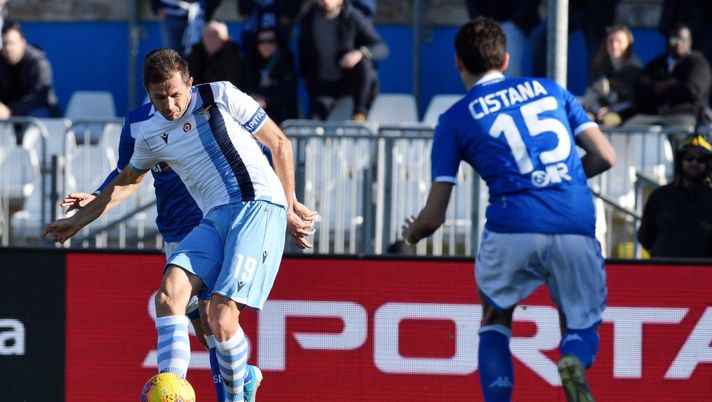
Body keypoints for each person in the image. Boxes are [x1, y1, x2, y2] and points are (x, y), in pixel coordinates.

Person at [43, 48, 315, 402]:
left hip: (258, 207)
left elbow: (279, 143)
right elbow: (125, 182)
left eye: (175, 94)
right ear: (148, 93)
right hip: (214, 217)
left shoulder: (219, 94)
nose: (170, 105)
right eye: (160, 97)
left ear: (189, 83)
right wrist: (76, 222)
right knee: (169, 295)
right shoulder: (149, 133)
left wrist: (289, 205)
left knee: (220, 317)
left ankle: (238, 393)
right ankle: (172, 392)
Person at [401, 17, 615, 402]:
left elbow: (434, 217)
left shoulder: (455, 118)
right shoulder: (551, 90)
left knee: (495, 317)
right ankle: (573, 361)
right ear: (506, 59)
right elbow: (605, 156)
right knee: (578, 322)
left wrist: (413, 233)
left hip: (512, 226)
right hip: (574, 222)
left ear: (458, 62)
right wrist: (559, 180)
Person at [298, 0, 389, 121]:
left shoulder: (352, 16)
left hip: (348, 79)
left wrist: (360, 52)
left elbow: (381, 47)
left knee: (364, 64)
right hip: (323, 85)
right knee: (314, 122)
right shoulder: (309, 18)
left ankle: (359, 114)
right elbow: (304, 51)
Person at [637, 134, 712, 258]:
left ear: (709, 164)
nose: (694, 163)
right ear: (680, 161)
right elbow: (645, 237)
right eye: (689, 158)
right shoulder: (660, 196)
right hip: (664, 267)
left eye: (701, 160)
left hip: (703, 269)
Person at [628, 23, 712, 130]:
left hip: (685, 115)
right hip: (651, 115)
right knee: (626, 132)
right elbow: (641, 88)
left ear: (690, 42)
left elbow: (693, 90)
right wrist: (665, 85)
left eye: (683, 40)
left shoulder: (698, 63)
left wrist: (663, 88)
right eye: (674, 40)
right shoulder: (656, 64)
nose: (678, 44)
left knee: (679, 134)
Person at [581, 25, 642, 127]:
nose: (614, 45)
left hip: (623, 116)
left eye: (619, 41)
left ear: (628, 43)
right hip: (598, 112)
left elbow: (634, 100)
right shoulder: (598, 67)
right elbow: (590, 95)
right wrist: (597, 108)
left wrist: (611, 109)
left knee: (611, 120)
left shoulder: (635, 69)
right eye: (610, 41)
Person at [0, 21, 61, 122]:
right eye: (5, 44)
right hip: (7, 118)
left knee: (37, 113)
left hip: (40, 117)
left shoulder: (38, 62)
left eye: (12, 43)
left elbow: (39, 96)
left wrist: (11, 110)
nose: (8, 48)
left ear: (22, 43)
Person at [464, 0, 542, 77]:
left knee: (511, 70)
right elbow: (472, 5)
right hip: (486, 25)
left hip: (517, 24)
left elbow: (530, 4)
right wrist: (481, 22)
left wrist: (516, 21)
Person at [244, 28, 298, 124]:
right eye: (261, 41)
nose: (266, 45)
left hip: (281, 118)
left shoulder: (286, 62)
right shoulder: (252, 62)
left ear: (277, 43)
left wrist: (265, 101)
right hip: (257, 118)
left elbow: (286, 92)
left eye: (271, 41)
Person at [238, 0, 304, 64]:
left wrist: (289, 14)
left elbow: (287, 17)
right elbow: (244, 13)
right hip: (251, 37)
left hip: (278, 37)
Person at [151, 0, 222, 57]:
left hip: (199, 14)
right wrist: (156, 6)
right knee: (173, 56)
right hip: (171, 14)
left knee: (199, 54)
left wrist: (208, 7)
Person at [187, 19, 245, 87]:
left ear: (226, 38)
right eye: (208, 34)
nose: (211, 39)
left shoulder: (237, 61)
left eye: (216, 34)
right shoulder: (193, 57)